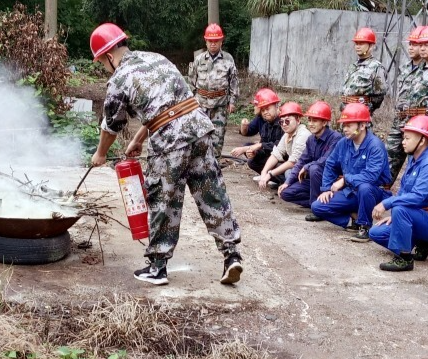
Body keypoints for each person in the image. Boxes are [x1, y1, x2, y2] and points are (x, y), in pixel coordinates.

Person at [88, 23, 242, 286]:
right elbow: (170, 105)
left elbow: (112, 124)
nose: (104, 67)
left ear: (108, 57)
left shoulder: (119, 79)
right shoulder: (156, 59)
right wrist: (138, 139)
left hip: (171, 143)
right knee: (212, 194)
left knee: (164, 201)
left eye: (102, 63)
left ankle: (157, 267)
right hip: (200, 130)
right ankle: (232, 256)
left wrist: (100, 154)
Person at [369, 116, 428, 272]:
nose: (403, 141)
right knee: (375, 232)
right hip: (418, 217)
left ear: (422, 140)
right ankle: (420, 242)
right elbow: (404, 192)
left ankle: (404, 259)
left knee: (401, 209)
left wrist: (386, 204)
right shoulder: (413, 159)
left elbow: (417, 196)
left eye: (407, 138)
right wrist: (395, 217)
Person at [312, 103, 392, 242]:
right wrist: (325, 189)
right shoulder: (344, 143)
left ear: (362, 126)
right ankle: (352, 220)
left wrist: (344, 180)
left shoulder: (375, 146)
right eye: (344, 125)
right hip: (351, 192)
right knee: (317, 206)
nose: (345, 129)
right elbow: (330, 164)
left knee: (365, 187)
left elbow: (371, 176)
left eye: (349, 125)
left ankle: (365, 227)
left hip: (374, 193)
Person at [278, 101, 342, 211]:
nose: (311, 124)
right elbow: (301, 161)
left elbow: (326, 160)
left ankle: (317, 208)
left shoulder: (335, 138)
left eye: (315, 120)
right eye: (309, 120)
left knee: (314, 168)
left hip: (330, 180)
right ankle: (319, 204)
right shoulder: (311, 139)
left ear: (325, 122)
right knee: (285, 193)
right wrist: (287, 182)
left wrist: (307, 167)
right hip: (313, 180)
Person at [188, 24, 239, 157]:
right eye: (210, 41)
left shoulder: (228, 59)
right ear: (206, 41)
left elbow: (233, 81)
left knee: (217, 138)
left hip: (220, 106)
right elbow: (192, 81)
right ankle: (200, 165)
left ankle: (215, 165)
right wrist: (193, 101)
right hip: (201, 105)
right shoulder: (199, 59)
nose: (213, 44)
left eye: (216, 41)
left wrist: (232, 102)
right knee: (199, 135)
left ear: (221, 41)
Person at [386, 26, 425, 184]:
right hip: (399, 123)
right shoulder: (404, 68)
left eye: (414, 44)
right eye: (409, 44)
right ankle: (379, 197)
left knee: (414, 167)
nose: (410, 47)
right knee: (387, 163)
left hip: (418, 126)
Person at [230, 88, 283, 176]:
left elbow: (280, 146)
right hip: (272, 155)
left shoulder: (283, 122)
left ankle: (281, 179)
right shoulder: (266, 124)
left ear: (276, 106)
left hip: (285, 158)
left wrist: (257, 146)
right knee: (252, 162)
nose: (265, 112)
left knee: (279, 165)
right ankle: (272, 178)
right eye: (263, 110)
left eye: (268, 108)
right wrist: (254, 152)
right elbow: (250, 135)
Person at [257, 102, 310, 190]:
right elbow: (276, 153)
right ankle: (286, 185)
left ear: (298, 120)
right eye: (281, 122)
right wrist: (264, 172)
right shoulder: (287, 134)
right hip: (297, 168)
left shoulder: (303, 135)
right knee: (272, 163)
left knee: (288, 172)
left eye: (287, 121)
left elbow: (293, 162)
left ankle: (298, 191)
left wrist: (269, 174)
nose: (284, 124)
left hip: (306, 172)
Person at [340, 27, 388, 116]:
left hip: (361, 114)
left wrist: (367, 109)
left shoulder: (376, 67)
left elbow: (379, 96)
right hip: (346, 113)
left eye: (361, 43)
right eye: (356, 43)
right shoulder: (353, 66)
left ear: (371, 46)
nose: (358, 46)